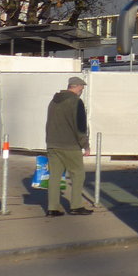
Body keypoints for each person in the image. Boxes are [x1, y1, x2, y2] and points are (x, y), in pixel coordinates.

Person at [44, 76, 92, 216]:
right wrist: (85, 145)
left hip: (52, 144)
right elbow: (80, 126)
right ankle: (76, 206)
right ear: (76, 87)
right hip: (70, 145)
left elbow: (49, 123)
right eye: (81, 88)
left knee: (54, 176)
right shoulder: (76, 102)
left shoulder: (53, 101)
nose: (82, 90)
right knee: (78, 174)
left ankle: (52, 208)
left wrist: (49, 142)